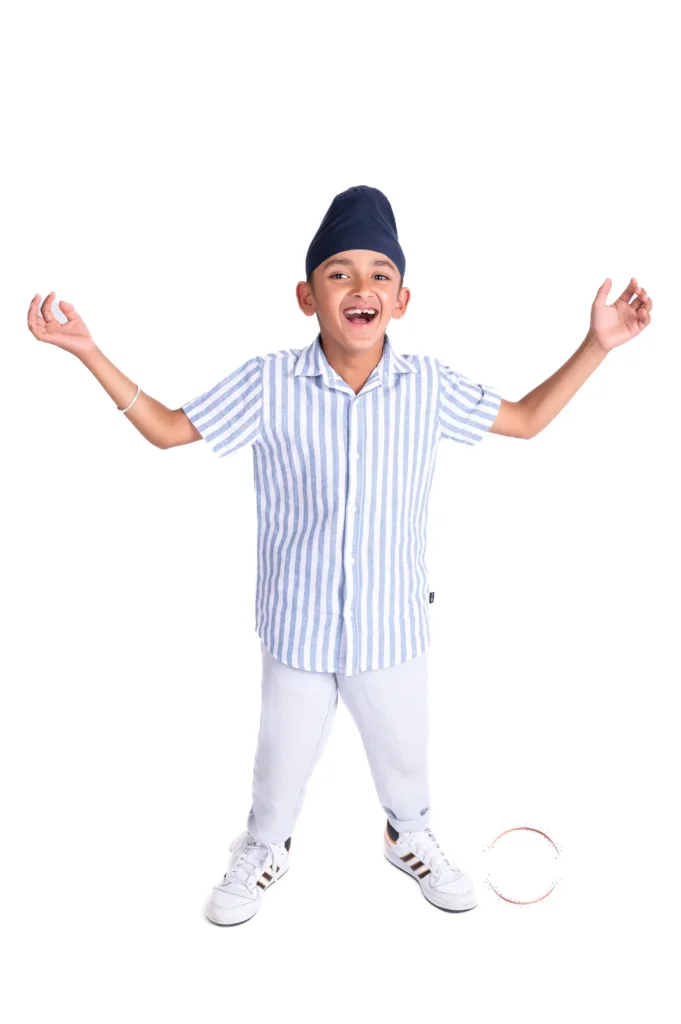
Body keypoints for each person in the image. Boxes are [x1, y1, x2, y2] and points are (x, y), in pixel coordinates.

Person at [27, 185, 652, 926]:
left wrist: (597, 345)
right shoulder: (268, 383)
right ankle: (264, 847)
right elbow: (166, 429)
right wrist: (87, 351)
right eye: (339, 273)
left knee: (405, 758)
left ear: (403, 299)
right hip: (298, 623)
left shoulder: (426, 386)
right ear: (306, 295)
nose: (361, 288)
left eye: (379, 274)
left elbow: (525, 419)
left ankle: (408, 835)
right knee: (280, 762)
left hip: (391, 625)